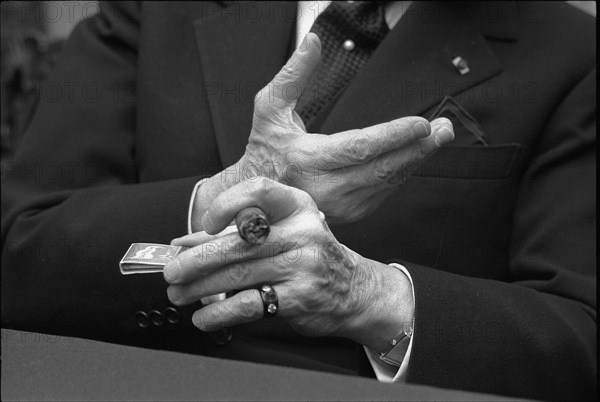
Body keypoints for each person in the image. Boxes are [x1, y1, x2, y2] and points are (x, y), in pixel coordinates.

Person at [1, 2, 595, 401]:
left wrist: (371, 298)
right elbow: (19, 247)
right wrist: (222, 197)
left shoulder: (573, 55)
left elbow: (581, 336)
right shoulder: (156, 11)